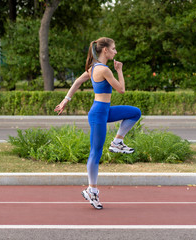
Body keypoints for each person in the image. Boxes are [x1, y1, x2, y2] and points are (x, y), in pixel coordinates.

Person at [54, 37, 141, 210]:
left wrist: (65, 100)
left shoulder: (93, 68)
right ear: (105, 51)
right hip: (98, 114)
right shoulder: (104, 70)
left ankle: (117, 141)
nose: (116, 52)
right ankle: (91, 190)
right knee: (96, 152)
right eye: (114, 49)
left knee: (134, 113)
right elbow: (121, 89)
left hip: (104, 111)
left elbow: (78, 81)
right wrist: (120, 71)